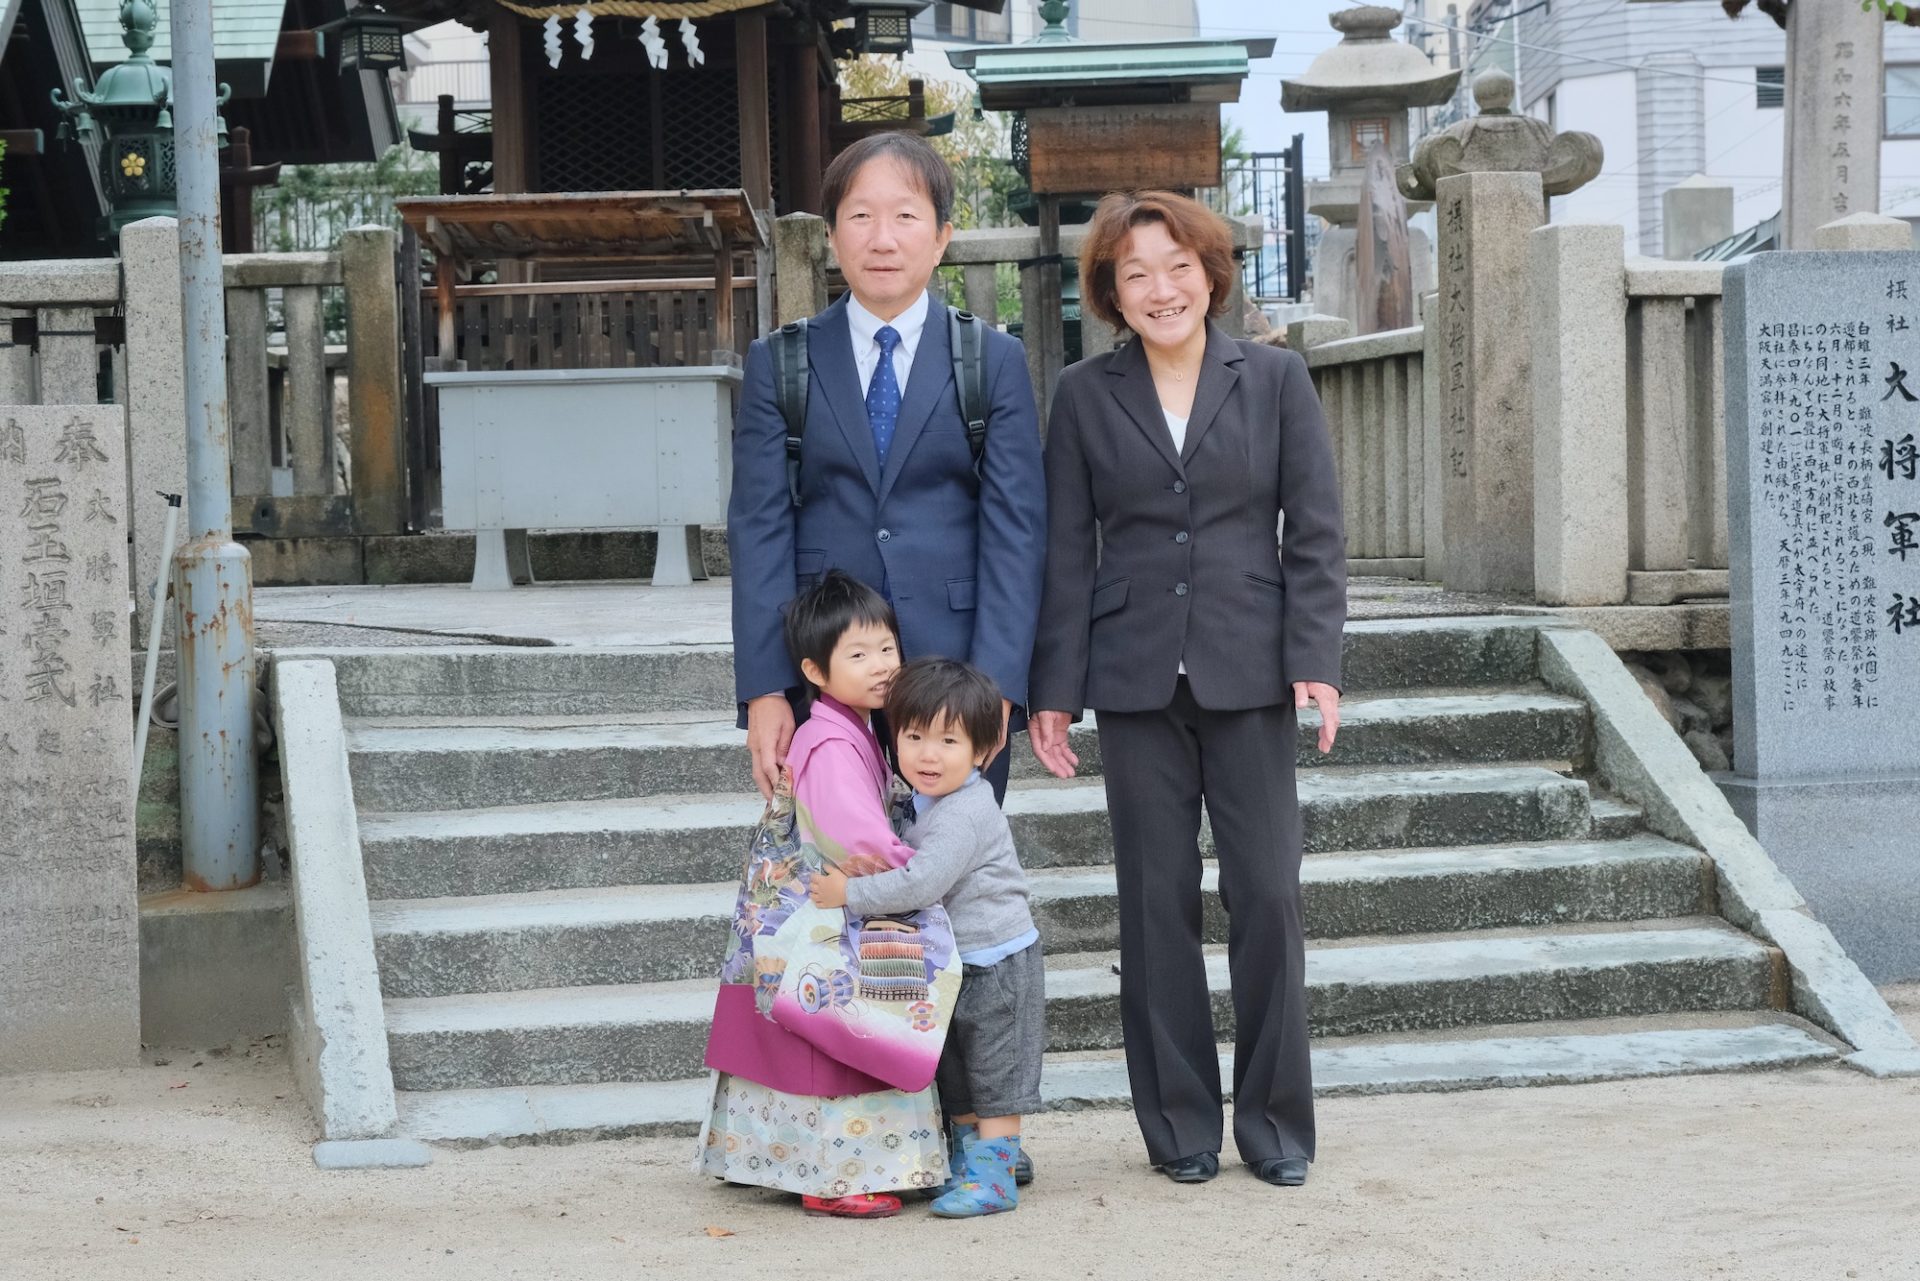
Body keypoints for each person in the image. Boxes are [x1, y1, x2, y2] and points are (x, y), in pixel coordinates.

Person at [1026, 191, 1348, 1189]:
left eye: (1177, 268)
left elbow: (1317, 534)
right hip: (1132, 679)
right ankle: (1178, 1127)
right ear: (1112, 294)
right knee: (1153, 903)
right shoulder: (1084, 394)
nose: (1160, 289)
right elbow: (1066, 551)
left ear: (1211, 274)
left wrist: (1317, 661)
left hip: (1250, 668)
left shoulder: (1278, 379)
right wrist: (1053, 688)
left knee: (1266, 896)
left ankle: (1277, 1126)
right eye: (1135, 274)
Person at [727, 131, 1045, 806]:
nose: (882, 238)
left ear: (941, 236)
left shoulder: (992, 362)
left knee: (955, 883)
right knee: (842, 880)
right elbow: (758, 530)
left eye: (905, 216)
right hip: (825, 676)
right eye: (861, 217)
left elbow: (1017, 535)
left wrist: (1000, 690)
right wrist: (765, 688)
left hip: (958, 678)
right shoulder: (780, 364)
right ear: (833, 237)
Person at [698, 572, 946, 1219]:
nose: (881, 666)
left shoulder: (851, 726)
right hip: (818, 907)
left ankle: (780, 1159)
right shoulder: (834, 739)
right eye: (858, 655)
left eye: (887, 648)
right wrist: (916, 874)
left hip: (794, 910)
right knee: (833, 1031)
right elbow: (855, 836)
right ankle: (832, 1174)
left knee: (798, 1030)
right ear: (814, 667)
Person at [810, 657, 1044, 1219]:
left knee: (995, 1075)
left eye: (948, 740)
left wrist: (850, 895)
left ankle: (995, 1179)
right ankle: (968, 1165)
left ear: (985, 750)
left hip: (999, 961)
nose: (927, 754)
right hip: (957, 963)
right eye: (913, 737)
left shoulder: (965, 810)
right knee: (957, 1072)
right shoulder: (918, 802)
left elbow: (924, 881)